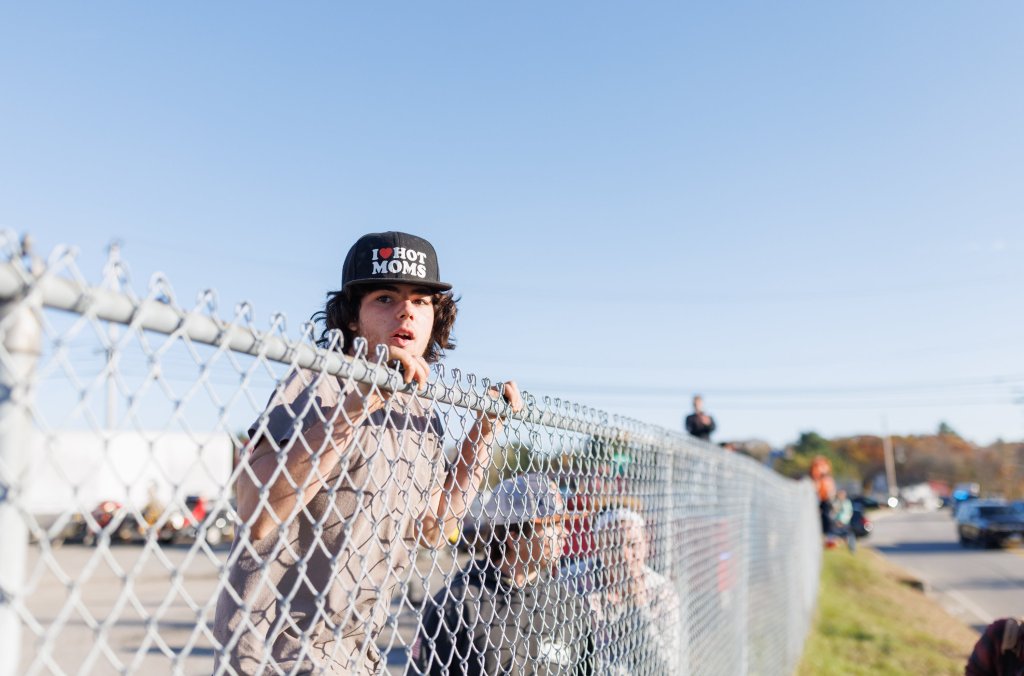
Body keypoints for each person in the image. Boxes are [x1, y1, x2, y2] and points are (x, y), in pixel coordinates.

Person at [213, 231, 523, 674]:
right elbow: (255, 510)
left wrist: (484, 433)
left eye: (421, 301)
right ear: (353, 319)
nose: (406, 311)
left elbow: (435, 527)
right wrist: (357, 406)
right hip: (276, 653)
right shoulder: (318, 382)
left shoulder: (419, 412)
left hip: (357, 654)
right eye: (385, 298)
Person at [411, 473, 593, 675]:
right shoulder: (458, 605)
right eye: (552, 524)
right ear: (514, 538)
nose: (564, 532)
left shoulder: (568, 605)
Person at [573, 507, 685, 675]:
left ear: (645, 544)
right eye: (613, 546)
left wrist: (638, 607)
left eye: (632, 544)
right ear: (598, 548)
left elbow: (665, 668)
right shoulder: (574, 581)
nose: (624, 555)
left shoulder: (661, 591)